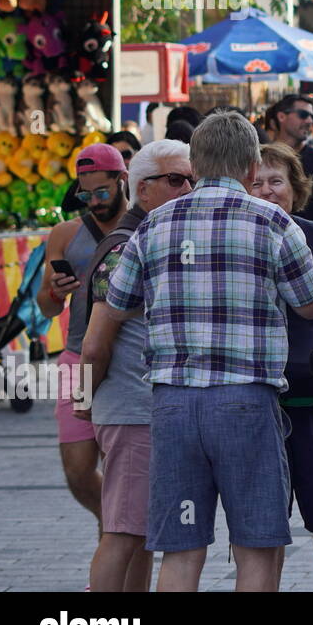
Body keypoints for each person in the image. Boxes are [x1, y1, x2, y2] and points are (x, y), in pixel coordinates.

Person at [103, 112, 313, 591]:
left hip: (173, 403)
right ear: (251, 167)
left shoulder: (154, 224)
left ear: (196, 163)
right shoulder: (273, 221)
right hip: (246, 401)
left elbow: (117, 302)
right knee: (257, 547)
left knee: (181, 551)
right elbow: (312, 305)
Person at [76, 140, 194, 591]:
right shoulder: (127, 246)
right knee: (122, 530)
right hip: (130, 409)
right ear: (142, 189)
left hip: (143, 409)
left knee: (140, 532)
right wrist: (83, 401)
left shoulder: (151, 237)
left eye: (191, 178)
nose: (188, 188)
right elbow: (92, 343)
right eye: (175, 179)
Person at [249, 143, 313, 591]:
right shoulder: (240, 234)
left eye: (277, 182)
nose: (268, 191)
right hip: (257, 394)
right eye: (257, 182)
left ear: (296, 188)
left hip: (312, 394)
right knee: (264, 523)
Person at [38, 143, 131, 539]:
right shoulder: (65, 234)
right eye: (85, 194)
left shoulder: (147, 227)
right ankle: (112, 524)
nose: (93, 201)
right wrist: (56, 291)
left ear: (122, 180)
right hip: (77, 360)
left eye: (102, 192)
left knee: (121, 471)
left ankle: (114, 550)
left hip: (128, 362)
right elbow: (44, 308)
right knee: (78, 472)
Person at [269, 94, 313, 245]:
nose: (309, 121)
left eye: (312, 117)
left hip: (311, 251)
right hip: (266, 245)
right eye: (303, 115)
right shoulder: (260, 158)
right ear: (282, 116)